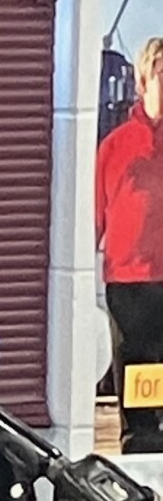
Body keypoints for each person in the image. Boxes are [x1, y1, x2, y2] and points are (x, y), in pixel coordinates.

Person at [96, 35, 163, 453]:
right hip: (130, 285)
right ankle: (142, 445)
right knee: (140, 376)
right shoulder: (115, 147)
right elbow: (91, 220)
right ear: (142, 82)